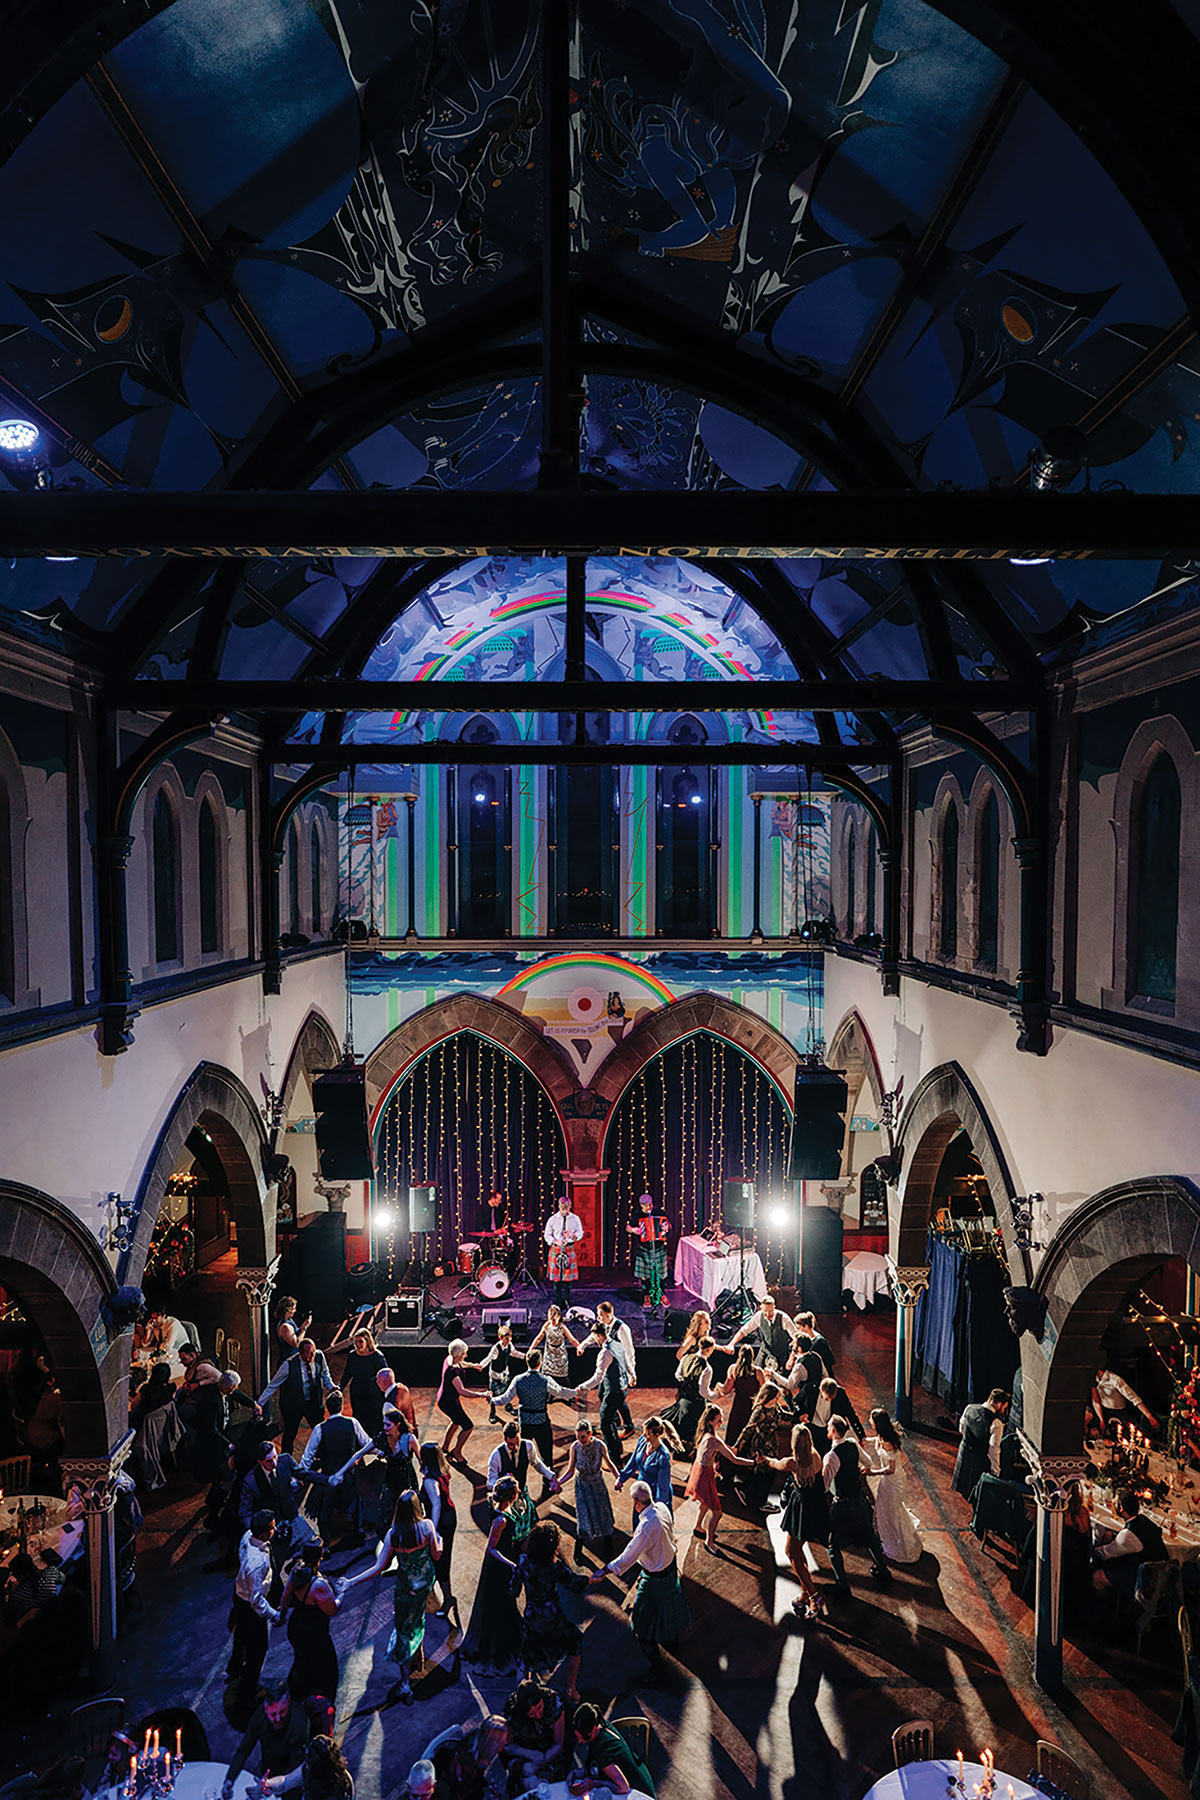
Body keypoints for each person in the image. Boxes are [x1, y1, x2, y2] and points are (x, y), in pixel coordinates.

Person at [342, 1488, 442, 1701]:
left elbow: (379, 1568)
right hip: (425, 1583)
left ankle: (405, 1683)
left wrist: (351, 1581)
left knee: (404, 1630)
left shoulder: (393, 1535)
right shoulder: (426, 1527)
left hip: (406, 1589)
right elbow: (436, 1554)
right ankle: (418, 1658)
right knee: (419, 1619)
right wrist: (439, 1541)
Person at [589, 1479, 690, 1680]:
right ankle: (672, 1640)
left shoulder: (645, 1527)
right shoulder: (661, 1508)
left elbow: (628, 1556)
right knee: (670, 1609)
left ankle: (656, 1668)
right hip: (670, 1569)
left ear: (636, 1502)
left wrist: (605, 1569)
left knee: (643, 1623)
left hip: (655, 1578)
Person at [760, 1423, 831, 1620]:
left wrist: (764, 1459)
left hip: (802, 1509)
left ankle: (815, 1597)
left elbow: (775, 1463)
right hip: (816, 1507)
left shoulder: (793, 1462)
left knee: (790, 1551)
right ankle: (805, 1592)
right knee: (798, 1551)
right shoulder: (815, 1454)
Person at [512, 1520, 589, 1697]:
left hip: (532, 1615)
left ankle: (521, 1696)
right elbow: (573, 1583)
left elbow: (513, 1589)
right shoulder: (554, 1566)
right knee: (575, 1642)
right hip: (553, 1616)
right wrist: (592, 1579)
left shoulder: (523, 1562)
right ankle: (571, 1688)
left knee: (526, 1658)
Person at [460, 1473, 523, 1671]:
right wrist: (511, 1564)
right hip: (499, 1564)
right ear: (511, 1496)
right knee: (499, 1603)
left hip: (506, 1557)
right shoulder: (500, 1521)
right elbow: (492, 1548)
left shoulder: (496, 1505)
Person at [823, 1415, 890, 1588]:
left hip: (843, 1505)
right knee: (869, 1537)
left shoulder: (831, 1456)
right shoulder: (852, 1444)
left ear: (834, 1431)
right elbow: (867, 1462)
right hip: (859, 1499)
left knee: (832, 1543)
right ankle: (883, 1570)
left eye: (829, 1426)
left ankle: (842, 1585)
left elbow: (824, 1484)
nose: (827, 1429)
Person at [228, 1510, 281, 1726]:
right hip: (250, 1609)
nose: (275, 1529)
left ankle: (233, 1668)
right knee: (257, 1653)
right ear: (262, 1533)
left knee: (240, 1638)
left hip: (239, 1598)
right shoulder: (257, 1562)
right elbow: (257, 1600)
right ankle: (245, 1700)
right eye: (272, 1527)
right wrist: (274, 1614)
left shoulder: (246, 1537)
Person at [493, 1349, 575, 1482]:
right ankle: (548, 1483)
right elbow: (560, 1392)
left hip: (525, 1423)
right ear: (540, 1363)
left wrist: (491, 1400)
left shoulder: (518, 1380)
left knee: (522, 1457)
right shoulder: (545, 1380)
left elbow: (505, 1398)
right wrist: (576, 1392)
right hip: (541, 1422)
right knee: (546, 1455)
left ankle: (520, 1485)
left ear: (527, 1363)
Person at [298, 1389, 373, 1534]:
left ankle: (325, 1543)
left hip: (328, 1478)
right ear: (342, 1406)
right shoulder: (353, 1423)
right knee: (356, 1502)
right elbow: (367, 1443)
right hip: (350, 1478)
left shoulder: (320, 1429)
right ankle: (358, 1531)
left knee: (323, 1512)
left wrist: (298, 1476)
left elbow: (307, 1457)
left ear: (327, 1408)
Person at [685, 1404, 755, 1552]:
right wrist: (753, 1462)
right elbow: (734, 1460)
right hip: (704, 1475)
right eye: (718, 1420)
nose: (721, 1423)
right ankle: (709, 1542)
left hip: (701, 1471)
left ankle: (698, 1526)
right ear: (710, 1421)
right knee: (717, 1513)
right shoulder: (713, 1440)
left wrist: (731, 1448)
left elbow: (722, 1447)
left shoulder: (706, 1433)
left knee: (704, 1503)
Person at [279, 1539, 341, 1703]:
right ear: (319, 1557)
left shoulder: (296, 1571)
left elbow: (285, 1597)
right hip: (314, 1631)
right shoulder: (319, 1585)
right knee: (327, 1667)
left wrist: (282, 1615)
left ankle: (298, 1698)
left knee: (302, 1661)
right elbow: (332, 1609)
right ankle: (325, 1705)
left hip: (296, 1626)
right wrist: (341, 1594)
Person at [224, 1679, 309, 1791]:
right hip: (267, 1770)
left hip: (290, 1778)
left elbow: (293, 1769)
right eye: (273, 1714)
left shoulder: (299, 1724)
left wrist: (270, 1786)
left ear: (288, 1702)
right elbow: (243, 1750)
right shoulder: (260, 1716)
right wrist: (230, 1778)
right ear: (265, 1708)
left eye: (282, 1712)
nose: (278, 1719)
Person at [864, 1408, 922, 1564]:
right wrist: (865, 1440)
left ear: (877, 1423)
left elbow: (890, 1469)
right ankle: (888, 1534)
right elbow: (876, 1441)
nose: (869, 1421)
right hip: (888, 1481)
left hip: (894, 1481)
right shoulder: (883, 1435)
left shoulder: (888, 1442)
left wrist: (872, 1472)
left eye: (871, 1419)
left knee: (891, 1510)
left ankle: (899, 1543)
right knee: (885, 1507)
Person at [258, 1339, 336, 1457]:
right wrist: (259, 1403)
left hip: (314, 1403)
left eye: (312, 1352)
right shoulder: (288, 1365)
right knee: (289, 1434)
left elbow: (325, 1373)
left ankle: (323, 1457)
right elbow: (273, 1385)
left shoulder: (319, 1356)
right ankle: (285, 1459)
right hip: (294, 1406)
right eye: (308, 1353)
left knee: (320, 1431)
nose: (311, 1356)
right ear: (300, 1353)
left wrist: (331, 1387)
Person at [485, 1419, 559, 1540]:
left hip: (521, 1493)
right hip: (505, 1500)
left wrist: (551, 1477)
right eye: (511, 1444)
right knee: (509, 1533)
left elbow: (537, 1463)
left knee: (531, 1527)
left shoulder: (528, 1446)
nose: (515, 1447)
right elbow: (489, 1482)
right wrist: (503, 1481)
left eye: (517, 1442)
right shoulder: (496, 1455)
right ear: (505, 1440)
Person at [1092, 1485, 1167, 1595]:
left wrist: (1093, 1550)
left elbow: (1105, 1554)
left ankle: (1104, 1605)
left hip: (1145, 1580)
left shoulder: (1128, 1535)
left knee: (1097, 1576)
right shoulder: (1143, 1520)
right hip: (1159, 1570)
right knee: (1108, 1536)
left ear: (1121, 1508)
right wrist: (1112, 1537)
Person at [573, 1319, 630, 1465]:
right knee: (606, 1408)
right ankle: (617, 1444)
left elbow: (598, 1377)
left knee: (605, 1423)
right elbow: (626, 1361)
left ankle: (614, 1458)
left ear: (598, 1336)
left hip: (615, 1391)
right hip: (622, 1387)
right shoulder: (617, 1344)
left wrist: (583, 1386)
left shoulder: (605, 1353)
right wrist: (632, 1375)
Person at [561, 1416, 617, 1562]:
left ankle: (608, 1542)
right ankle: (578, 1550)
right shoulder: (574, 1448)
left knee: (603, 1513)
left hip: (598, 1483)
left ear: (590, 1434)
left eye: (584, 1437)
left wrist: (618, 1478)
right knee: (583, 1516)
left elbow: (610, 1464)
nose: (581, 1440)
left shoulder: (600, 1445)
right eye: (578, 1437)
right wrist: (558, 1483)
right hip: (582, 1485)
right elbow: (570, 1471)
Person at [572, 1702, 656, 1797]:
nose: (580, 1741)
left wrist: (594, 1783)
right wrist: (577, 1773)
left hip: (638, 1792)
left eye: (583, 1737)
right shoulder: (602, 1724)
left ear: (594, 1729)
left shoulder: (602, 1751)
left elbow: (623, 1787)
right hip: (637, 1774)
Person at [420, 1440, 461, 1633]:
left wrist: (433, 1531)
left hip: (441, 1522)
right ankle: (445, 1595)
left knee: (440, 1561)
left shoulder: (430, 1480)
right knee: (442, 1559)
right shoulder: (444, 1471)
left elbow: (435, 1504)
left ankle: (448, 1599)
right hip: (450, 1517)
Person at [732, 1382, 790, 1509]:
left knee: (765, 1474)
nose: (777, 1400)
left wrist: (798, 1417)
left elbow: (784, 1416)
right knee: (765, 1473)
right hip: (761, 1446)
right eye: (776, 1397)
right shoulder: (759, 1411)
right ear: (768, 1397)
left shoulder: (775, 1407)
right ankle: (758, 1502)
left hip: (772, 1444)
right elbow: (748, 1429)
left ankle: (749, 1493)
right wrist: (737, 1446)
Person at [425, 1715, 509, 1800]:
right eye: (500, 1743)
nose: (501, 1748)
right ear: (491, 1743)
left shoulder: (472, 1744)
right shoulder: (467, 1763)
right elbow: (462, 1793)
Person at [503, 1678, 566, 1789]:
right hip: (523, 1749)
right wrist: (527, 1753)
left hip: (548, 1750)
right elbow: (506, 1745)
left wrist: (542, 1760)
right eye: (532, 1714)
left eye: (539, 1708)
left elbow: (558, 1744)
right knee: (519, 1777)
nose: (538, 1715)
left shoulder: (554, 1703)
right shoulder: (512, 1711)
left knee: (549, 1784)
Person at [661, 1333, 716, 1454]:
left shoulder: (686, 1357)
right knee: (696, 1426)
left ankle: (680, 1445)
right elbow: (703, 1392)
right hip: (696, 1402)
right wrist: (716, 1394)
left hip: (684, 1398)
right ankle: (687, 1450)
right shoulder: (707, 1368)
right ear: (707, 1349)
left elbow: (678, 1375)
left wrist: (687, 1383)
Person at [952, 1389, 1010, 1501]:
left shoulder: (970, 1407)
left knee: (965, 1490)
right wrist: (995, 1470)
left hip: (964, 1452)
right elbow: (993, 1450)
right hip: (979, 1459)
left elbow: (962, 1428)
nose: (1003, 1411)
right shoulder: (996, 1423)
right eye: (1004, 1407)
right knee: (978, 1495)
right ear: (999, 1404)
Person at [617, 1415, 680, 1510]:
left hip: (654, 1494)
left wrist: (658, 1506)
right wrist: (621, 1479)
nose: (644, 1436)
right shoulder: (642, 1441)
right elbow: (633, 1462)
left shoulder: (663, 1456)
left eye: (648, 1433)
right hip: (641, 1490)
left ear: (657, 1434)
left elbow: (663, 1485)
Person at [262, 1734, 353, 1799]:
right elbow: (285, 1782)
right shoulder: (311, 1768)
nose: (305, 1766)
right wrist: (268, 1783)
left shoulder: (337, 1792)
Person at [723, 1294, 797, 1374]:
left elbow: (797, 1337)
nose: (768, 1315)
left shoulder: (784, 1318)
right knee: (755, 1373)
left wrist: (792, 1356)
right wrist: (731, 1344)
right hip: (765, 1350)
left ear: (774, 1308)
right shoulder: (758, 1316)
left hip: (781, 1353)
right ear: (761, 1308)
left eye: (770, 1312)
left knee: (781, 1379)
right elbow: (743, 1331)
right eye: (765, 1312)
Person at [437, 1339, 483, 1463]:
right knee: (468, 1426)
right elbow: (462, 1391)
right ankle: (457, 1451)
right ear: (458, 1355)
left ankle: (445, 1447)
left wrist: (473, 1365)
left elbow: (462, 1363)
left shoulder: (450, 1358)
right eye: (464, 1353)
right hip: (449, 1402)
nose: (465, 1355)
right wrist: (481, 1394)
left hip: (446, 1398)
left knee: (456, 1421)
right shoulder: (453, 1372)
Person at [596, 1300, 637, 1432]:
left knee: (616, 1399)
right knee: (602, 1394)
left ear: (608, 1315)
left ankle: (628, 1426)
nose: (598, 1318)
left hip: (619, 1371)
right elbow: (593, 1336)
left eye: (600, 1315)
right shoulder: (604, 1326)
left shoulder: (622, 1329)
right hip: (610, 1368)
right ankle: (614, 1418)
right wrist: (582, 1345)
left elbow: (629, 1352)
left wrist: (632, 1374)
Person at [627, 1193, 670, 1311]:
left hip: (659, 1247)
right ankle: (646, 1295)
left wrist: (667, 1228)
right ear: (641, 1205)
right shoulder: (637, 1215)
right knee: (645, 1276)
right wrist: (633, 1230)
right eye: (646, 1206)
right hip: (644, 1248)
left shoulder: (659, 1213)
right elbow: (628, 1228)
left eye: (650, 1205)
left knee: (661, 1274)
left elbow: (667, 1224)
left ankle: (661, 1293)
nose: (649, 1208)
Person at [1090, 1367, 1158, 1438]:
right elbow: (1096, 1401)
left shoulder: (1115, 1379)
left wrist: (1149, 1416)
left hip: (1120, 1414)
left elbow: (1134, 1398)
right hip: (1104, 1413)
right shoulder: (1094, 1380)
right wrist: (1101, 1420)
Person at [343, 1329, 388, 1436]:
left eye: (360, 1342)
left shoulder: (377, 1356)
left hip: (373, 1393)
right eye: (356, 1342)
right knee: (359, 1416)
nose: (358, 1345)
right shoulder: (352, 1355)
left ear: (367, 1341)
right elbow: (347, 1373)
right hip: (357, 1392)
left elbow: (385, 1375)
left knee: (374, 1417)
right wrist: (340, 1388)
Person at [803, 1375, 865, 1453]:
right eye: (826, 1399)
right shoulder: (810, 1389)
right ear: (820, 1390)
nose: (829, 1401)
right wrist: (800, 1415)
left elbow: (851, 1414)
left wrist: (861, 1436)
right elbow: (796, 1401)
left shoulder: (840, 1393)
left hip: (830, 1432)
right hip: (813, 1429)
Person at [478, 1322, 525, 1425]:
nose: (509, 1340)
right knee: (493, 1395)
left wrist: (525, 1356)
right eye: (506, 1338)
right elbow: (488, 1358)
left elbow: (514, 1353)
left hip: (505, 1373)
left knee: (508, 1391)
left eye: (510, 1338)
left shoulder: (509, 1345)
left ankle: (508, 1406)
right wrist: (480, 1366)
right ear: (500, 1338)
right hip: (495, 1375)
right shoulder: (496, 1348)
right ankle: (492, 1413)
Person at [719, 1343, 764, 1447]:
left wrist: (718, 1386)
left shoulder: (733, 1369)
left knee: (735, 1431)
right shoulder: (758, 1372)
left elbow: (726, 1390)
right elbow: (763, 1391)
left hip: (738, 1405)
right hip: (752, 1405)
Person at [544, 1194, 584, 1310]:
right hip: (556, 1249)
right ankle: (558, 1300)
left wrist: (573, 1235)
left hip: (569, 1248)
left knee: (567, 1278)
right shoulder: (553, 1219)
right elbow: (547, 1235)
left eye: (567, 1207)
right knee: (557, 1278)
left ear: (570, 1206)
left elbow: (580, 1232)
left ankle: (567, 1299)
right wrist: (555, 1241)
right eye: (563, 1207)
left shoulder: (575, 1219)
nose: (565, 1210)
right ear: (559, 1206)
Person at [528, 1304, 580, 1392]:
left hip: (560, 1353)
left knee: (563, 1376)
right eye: (550, 1318)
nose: (552, 1321)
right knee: (546, 1375)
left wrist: (579, 1347)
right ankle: (547, 1393)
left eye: (553, 1319)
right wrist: (530, 1349)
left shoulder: (562, 1327)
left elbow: (572, 1340)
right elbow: (538, 1338)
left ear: (559, 1317)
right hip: (549, 1353)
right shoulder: (546, 1326)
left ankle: (570, 1392)